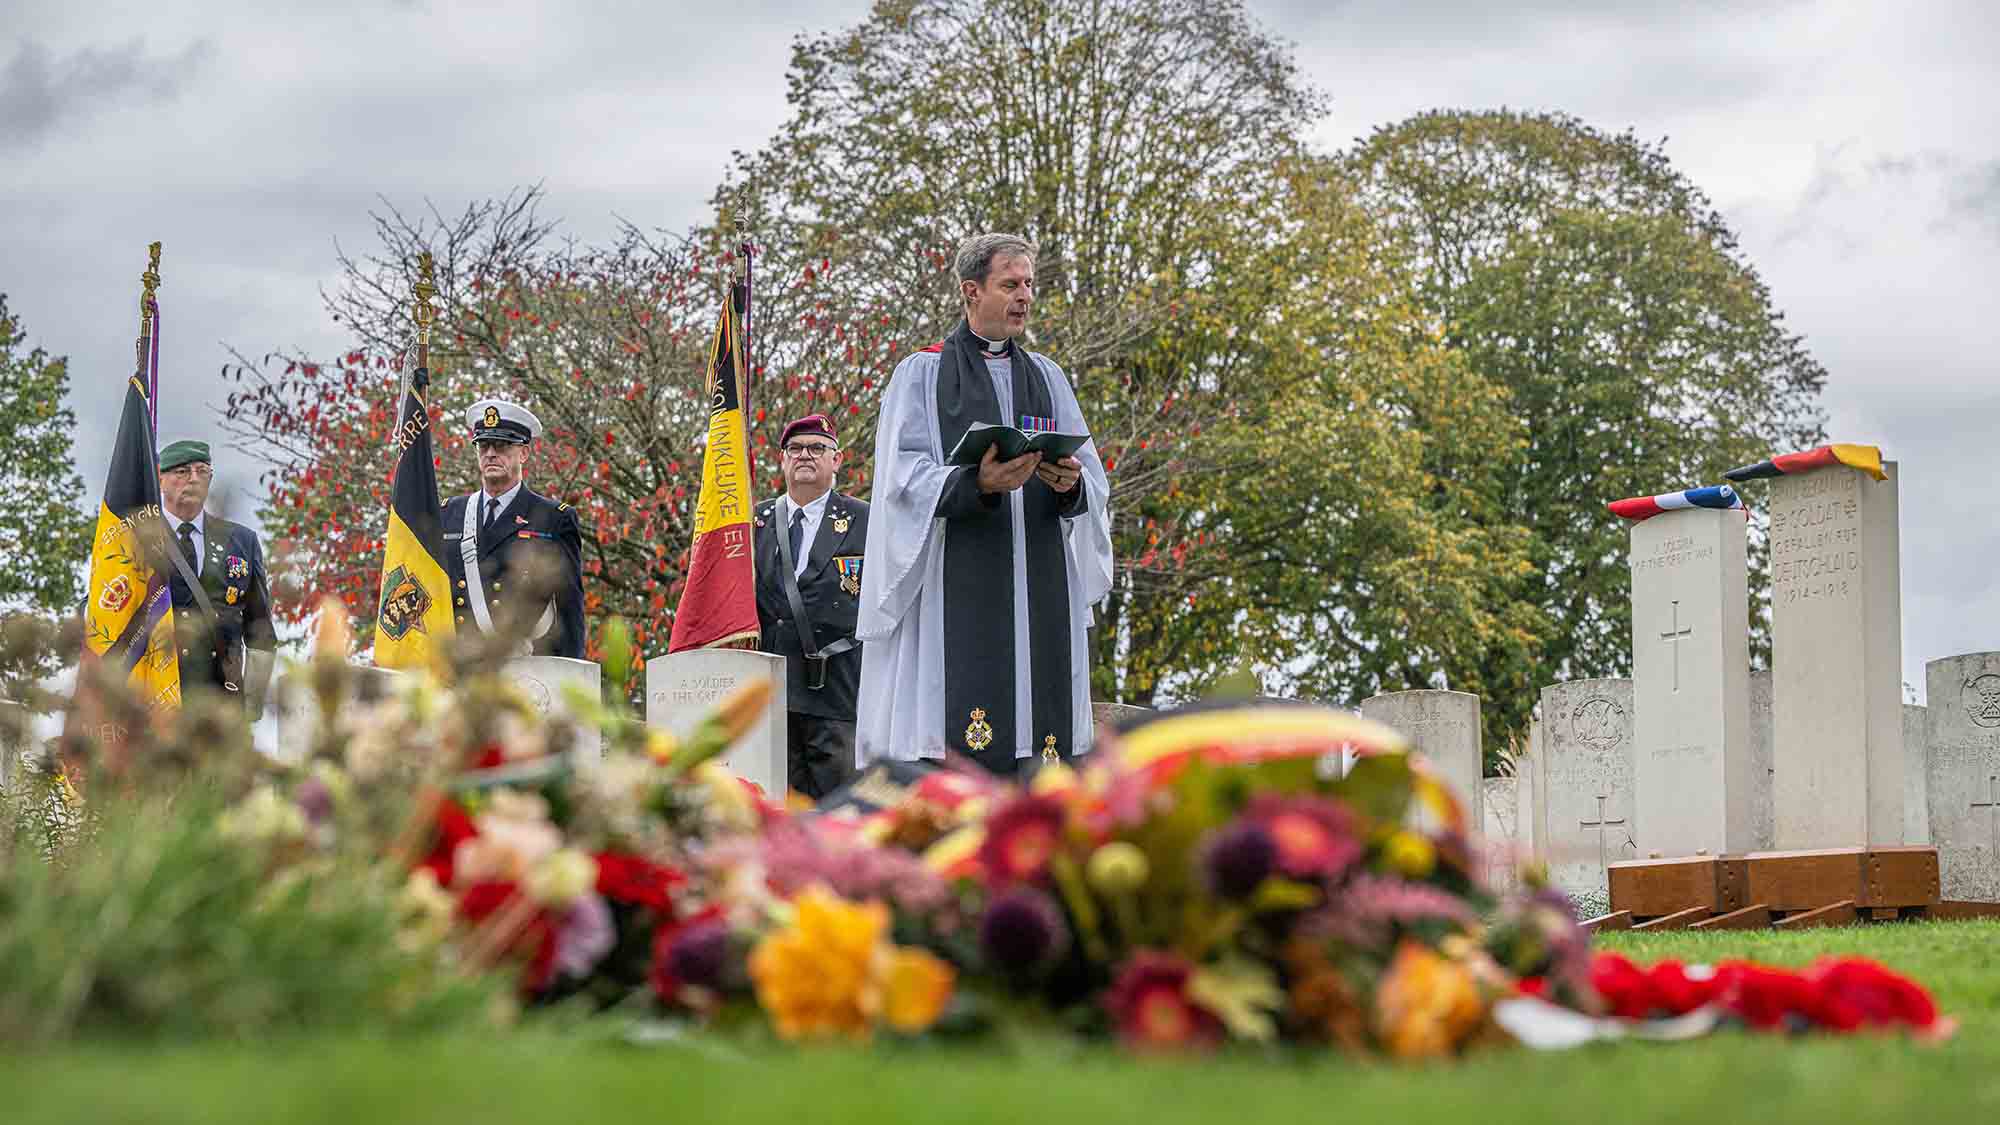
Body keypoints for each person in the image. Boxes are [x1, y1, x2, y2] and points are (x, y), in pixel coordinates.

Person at [855, 233, 1113, 773]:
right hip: (958, 584)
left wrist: (1071, 486)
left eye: (1029, 285)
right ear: (972, 291)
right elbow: (900, 479)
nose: (1024, 297)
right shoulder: (922, 374)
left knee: (1041, 752)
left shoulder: (1048, 377)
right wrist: (977, 483)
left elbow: (1092, 474)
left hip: (1039, 583)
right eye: (1010, 284)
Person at [752, 413, 870, 798]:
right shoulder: (756, 521)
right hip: (772, 691)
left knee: (837, 808)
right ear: (782, 459)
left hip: (836, 691)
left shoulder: (864, 519)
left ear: (836, 460)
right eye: (796, 449)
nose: (805, 455)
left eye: (817, 448)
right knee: (778, 806)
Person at [440, 399, 585, 658]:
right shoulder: (449, 513)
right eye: (483, 446)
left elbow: (569, 607)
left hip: (526, 665)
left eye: (502, 445)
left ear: (524, 453)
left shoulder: (553, 518)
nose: (491, 453)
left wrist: (572, 672)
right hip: (459, 666)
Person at [155, 439, 275, 714]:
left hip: (222, 703)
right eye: (183, 472)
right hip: (155, 702)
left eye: (202, 471)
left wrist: (251, 706)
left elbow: (260, 631)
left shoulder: (241, 540)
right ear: (160, 479)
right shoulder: (137, 537)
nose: (194, 479)